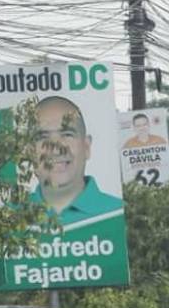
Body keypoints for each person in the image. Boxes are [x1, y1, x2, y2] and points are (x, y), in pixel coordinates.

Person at [31, 96, 121, 225]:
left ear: (86, 147)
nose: (56, 150)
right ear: (28, 151)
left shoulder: (118, 214)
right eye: (43, 137)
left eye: (67, 134)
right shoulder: (6, 221)